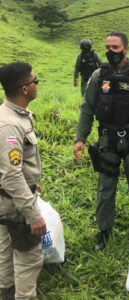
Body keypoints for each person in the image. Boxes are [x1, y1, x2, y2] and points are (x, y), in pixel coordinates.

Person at [74, 31, 129, 251]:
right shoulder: (98, 76)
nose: (110, 51)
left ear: (126, 48)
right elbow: (87, 108)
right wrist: (80, 139)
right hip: (107, 139)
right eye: (107, 47)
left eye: (115, 47)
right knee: (106, 187)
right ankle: (104, 232)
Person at [0, 62, 47, 300]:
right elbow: (10, 174)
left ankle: (6, 292)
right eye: (35, 81)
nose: (37, 84)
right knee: (29, 258)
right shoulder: (11, 124)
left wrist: (31, 182)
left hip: (7, 198)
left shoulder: (9, 115)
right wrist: (32, 214)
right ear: (25, 89)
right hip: (15, 203)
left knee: (5, 253)